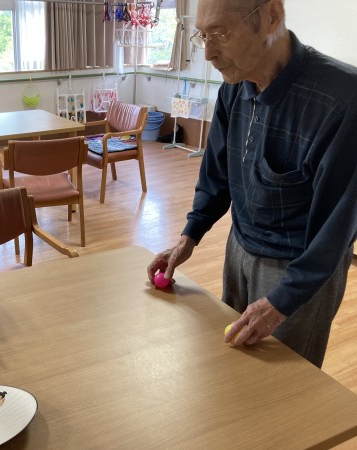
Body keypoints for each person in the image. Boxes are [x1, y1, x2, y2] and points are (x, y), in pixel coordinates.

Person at [147, 0, 357, 367]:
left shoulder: (343, 98)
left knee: (283, 384)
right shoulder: (235, 84)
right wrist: (189, 236)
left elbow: (336, 229)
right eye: (203, 36)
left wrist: (282, 303)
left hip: (297, 268)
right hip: (240, 246)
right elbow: (216, 174)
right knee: (234, 366)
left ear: (271, 15)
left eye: (221, 33)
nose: (209, 53)